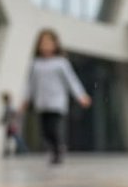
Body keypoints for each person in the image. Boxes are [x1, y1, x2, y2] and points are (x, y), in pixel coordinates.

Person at [24, 29, 90, 165]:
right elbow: (30, 84)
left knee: (54, 128)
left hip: (57, 102)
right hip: (42, 102)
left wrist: (81, 96)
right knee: (45, 131)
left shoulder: (61, 63)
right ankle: (54, 149)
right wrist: (26, 99)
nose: (45, 46)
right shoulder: (35, 64)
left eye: (48, 43)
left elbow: (72, 80)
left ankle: (58, 150)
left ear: (55, 45)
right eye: (43, 43)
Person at [0, 91, 26, 157]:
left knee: (16, 138)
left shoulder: (9, 107)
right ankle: (7, 151)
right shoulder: (7, 106)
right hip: (10, 125)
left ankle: (23, 150)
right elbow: (7, 116)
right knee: (9, 139)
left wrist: (12, 122)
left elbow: (13, 114)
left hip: (11, 125)